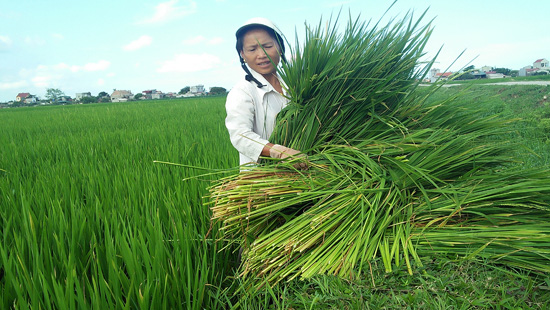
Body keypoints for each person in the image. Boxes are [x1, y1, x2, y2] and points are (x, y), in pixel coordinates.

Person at [225, 17, 306, 168]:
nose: (261, 55)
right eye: (252, 49)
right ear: (242, 54)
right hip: (262, 182)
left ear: (280, 47)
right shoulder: (243, 91)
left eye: (267, 46)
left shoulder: (295, 86)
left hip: (300, 175)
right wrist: (279, 152)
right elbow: (240, 136)